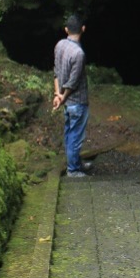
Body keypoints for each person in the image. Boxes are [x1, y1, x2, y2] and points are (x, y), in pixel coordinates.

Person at [53, 14, 91, 177]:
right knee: (75, 136)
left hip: (67, 101)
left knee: (69, 133)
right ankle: (73, 170)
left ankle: (75, 163)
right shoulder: (78, 54)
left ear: (66, 29)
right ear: (83, 29)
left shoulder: (60, 45)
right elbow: (73, 82)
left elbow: (56, 71)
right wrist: (63, 97)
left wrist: (57, 94)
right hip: (77, 102)